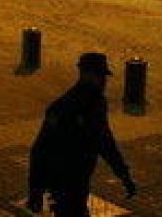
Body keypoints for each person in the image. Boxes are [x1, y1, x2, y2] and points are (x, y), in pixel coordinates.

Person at [27, 52, 137, 216]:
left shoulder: (95, 103)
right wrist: (36, 191)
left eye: (103, 76)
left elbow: (105, 141)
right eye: (99, 76)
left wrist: (123, 174)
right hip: (64, 182)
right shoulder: (65, 106)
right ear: (85, 74)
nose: (103, 81)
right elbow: (41, 148)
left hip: (79, 179)